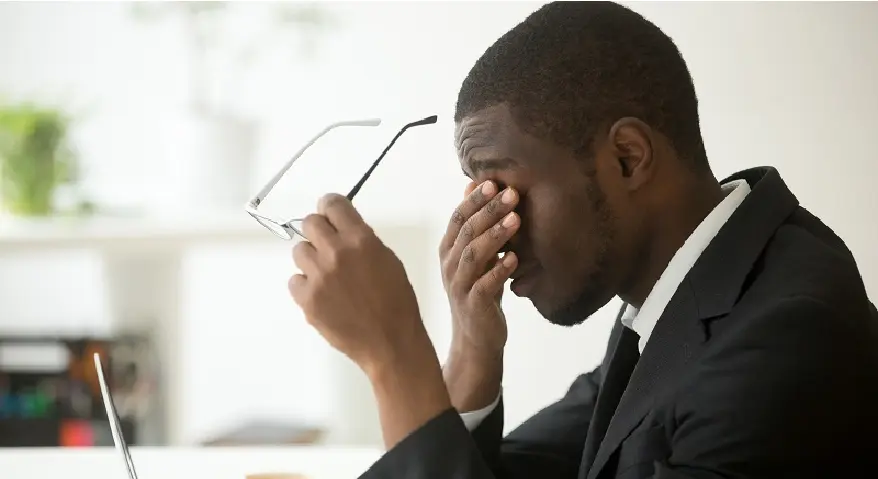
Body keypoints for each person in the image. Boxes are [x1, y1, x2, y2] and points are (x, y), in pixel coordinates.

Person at [287, 2, 878, 478]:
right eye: (480, 197)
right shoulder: (683, 301)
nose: (493, 233)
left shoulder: (786, 340)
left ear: (627, 158)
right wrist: (471, 350)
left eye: (506, 190)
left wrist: (395, 358)